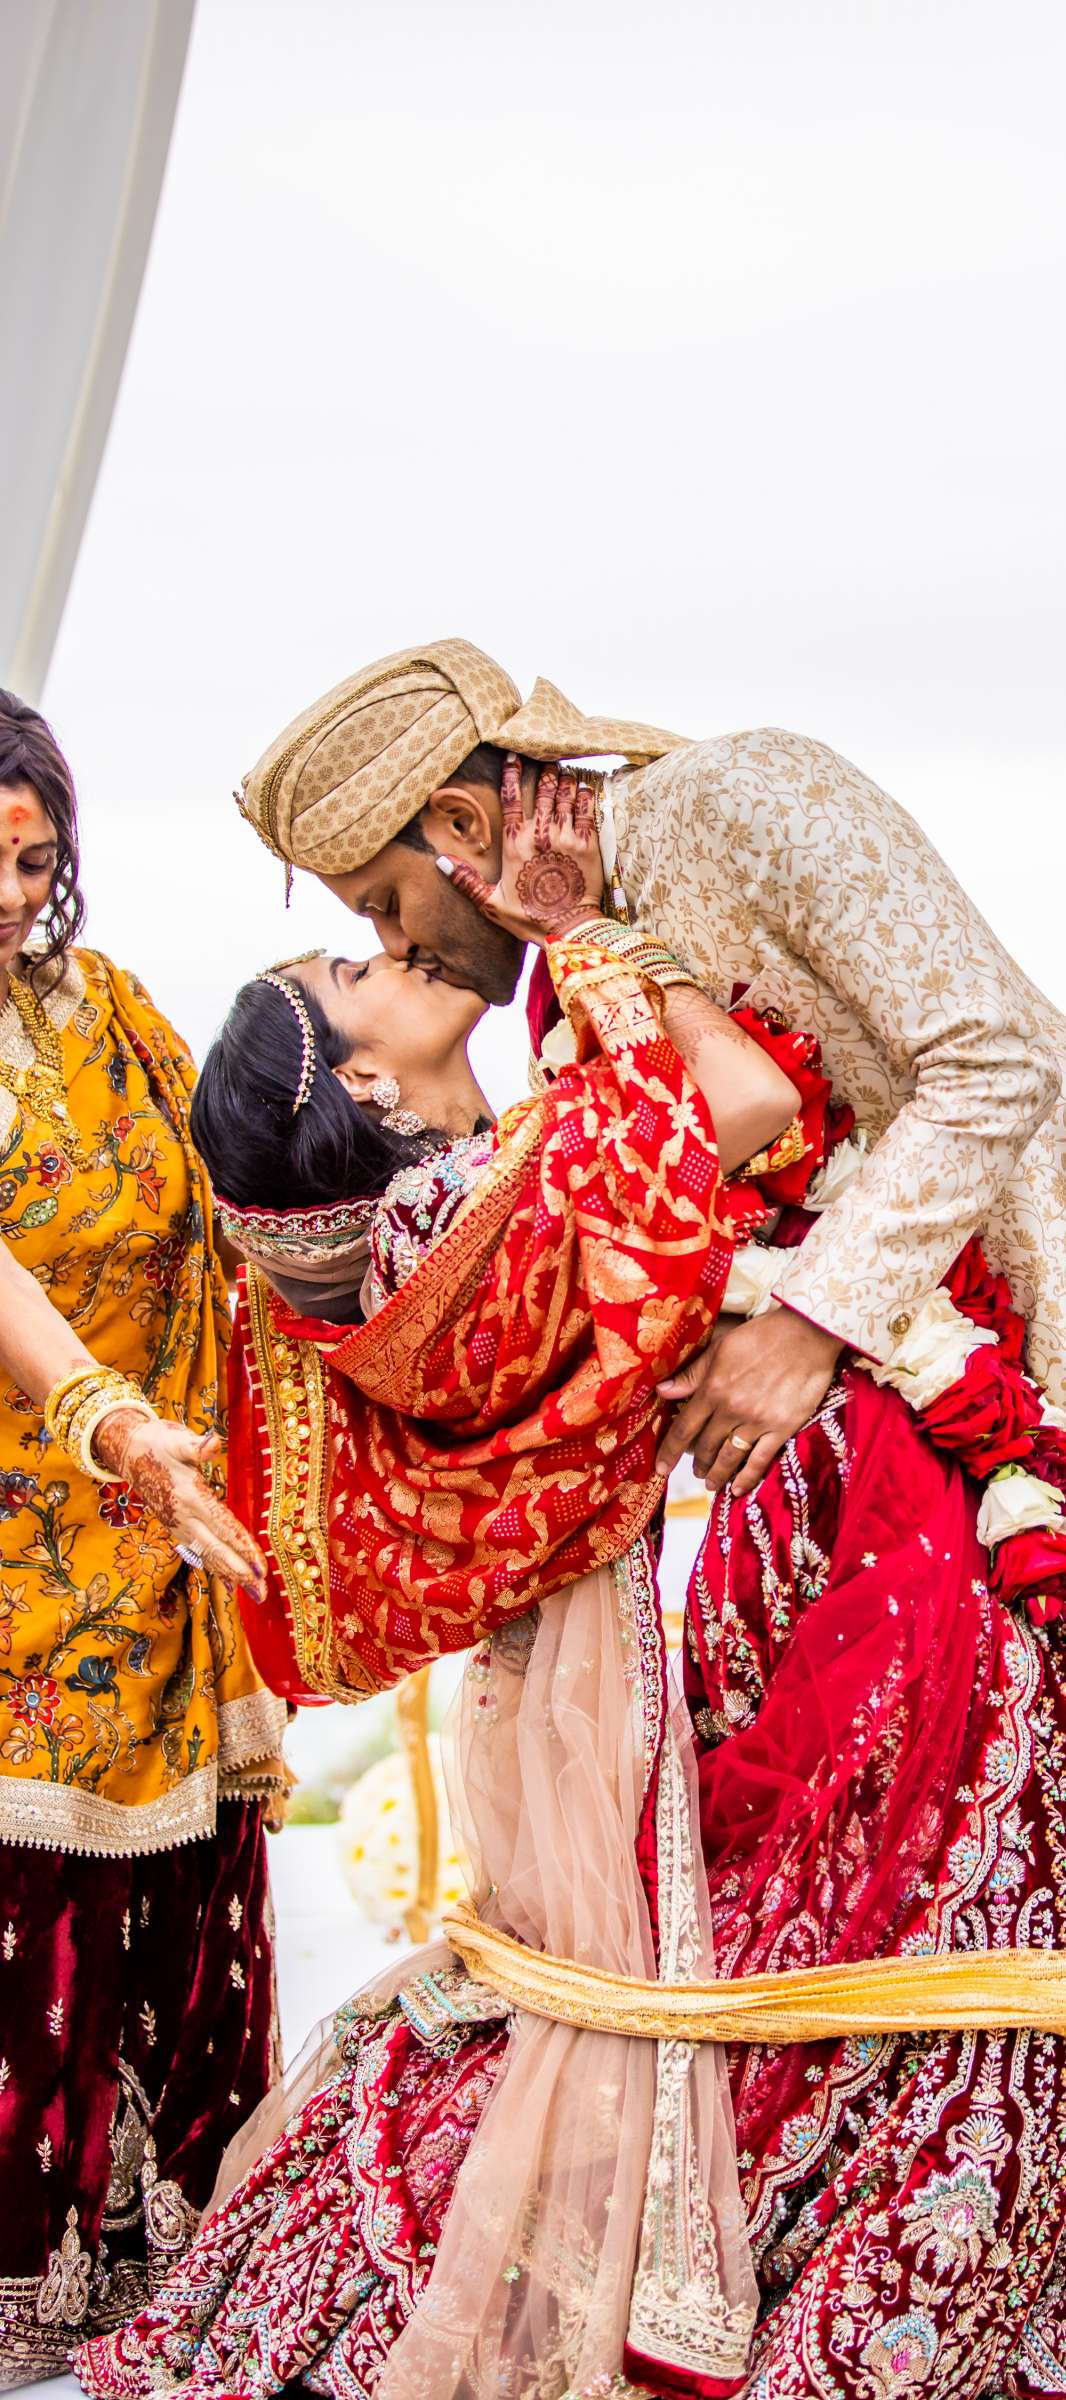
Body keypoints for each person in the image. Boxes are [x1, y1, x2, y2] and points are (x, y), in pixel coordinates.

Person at [226, 643, 1066, 2399]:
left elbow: (986, 1063)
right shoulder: (587, 967)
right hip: (936, 1420)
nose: (406, 953)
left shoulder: (747, 794)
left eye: (393, 906)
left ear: (467, 819)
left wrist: (810, 1324)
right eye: (376, 938)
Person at [0, 693, 286, 2386]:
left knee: (173, 1911)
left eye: (33, 860)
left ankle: (160, 2282)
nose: (11, 897)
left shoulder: (105, 1007)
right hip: (22, 1552)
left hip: (158, 1534)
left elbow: (236, 1199)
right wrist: (102, 1414)